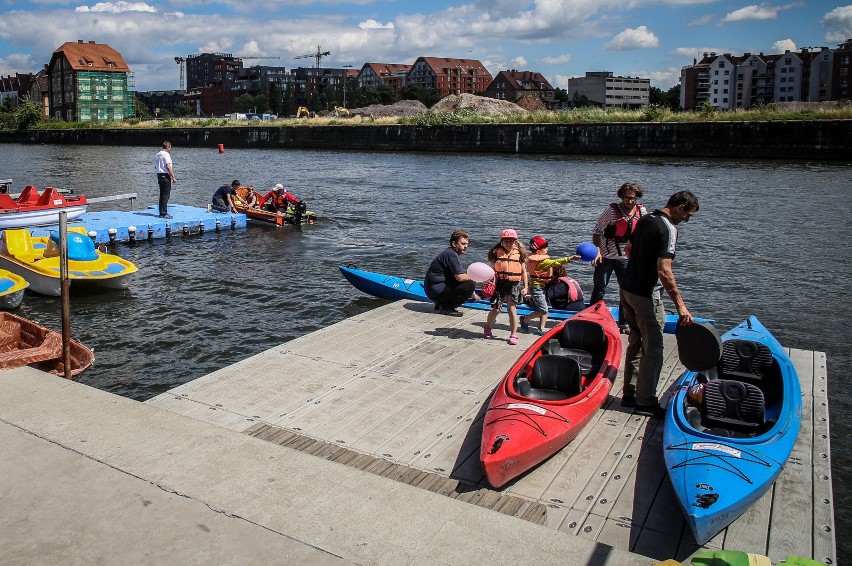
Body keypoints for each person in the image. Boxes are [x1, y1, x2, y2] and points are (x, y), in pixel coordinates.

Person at [619, 190, 699, 418]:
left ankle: (630, 394)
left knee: (635, 342)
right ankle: (645, 402)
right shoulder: (669, 228)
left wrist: (639, 268)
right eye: (688, 215)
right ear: (680, 206)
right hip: (646, 295)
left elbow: (628, 250)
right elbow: (664, 270)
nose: (687, 220)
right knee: (653, 348)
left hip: (626, 289)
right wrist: (681, 306)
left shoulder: (645, 219)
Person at [591, 182, 647, 329]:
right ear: (621, 197)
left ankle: (624, 322)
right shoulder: (612, 211)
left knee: (626, 291)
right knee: (600, 288)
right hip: (606, 256)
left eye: (633, 198)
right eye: (627, 198)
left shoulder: (641, 212)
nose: (630, 201)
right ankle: (591, 318)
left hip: (626, 259)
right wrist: (597, 251)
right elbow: (597, 231)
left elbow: (644, 234)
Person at [519, 235, 580, 335]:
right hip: (536, 288)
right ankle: (525, 319)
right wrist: (570, 258)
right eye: (545, 247)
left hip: (542, 286)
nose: (547, 249)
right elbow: (556, 262)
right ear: (538, 251)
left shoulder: (534, 259)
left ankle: (540, 329)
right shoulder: (543, 262)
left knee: (545, 308)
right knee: (543, 309)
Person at [484, 229, 528, 345]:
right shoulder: (496, 253)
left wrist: (526, 287)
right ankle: (487, 328)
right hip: (500, 284)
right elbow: (491, 270)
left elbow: (523, 272)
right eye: (506, 241)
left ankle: (513, 334)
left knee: (512, 309)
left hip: (514, 284)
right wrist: (489, 282)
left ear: (515, 242)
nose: (508, 244)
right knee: (496, 309)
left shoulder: (520, 254)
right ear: (502, 242)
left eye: (511, 241)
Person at [424, 230, 477, 316]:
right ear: (454, 244)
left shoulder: (449, 253)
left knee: (467, 280)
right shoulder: (451, 255)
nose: (466, 246)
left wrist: (473, 293)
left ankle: (440, 305)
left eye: (467, 244)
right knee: (470, 284)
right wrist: (477, 277)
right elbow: (459, 277)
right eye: (463, 244)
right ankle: (446, 308)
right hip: (436, 291)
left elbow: (458, 276)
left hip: (432, 289)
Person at [154, 141, 176, 218]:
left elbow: (156, 166)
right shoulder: (166, 154)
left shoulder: (157, 154)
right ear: (167, 147)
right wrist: (173, 176)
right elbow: (168, 166)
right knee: (166, 195)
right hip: (165, 175)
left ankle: (161, 211)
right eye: (170, 147)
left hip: (159, 175)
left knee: (162, 194)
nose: (171, 149)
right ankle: (164, 213)